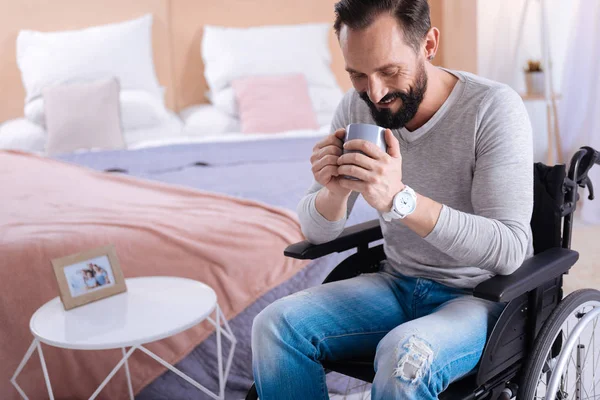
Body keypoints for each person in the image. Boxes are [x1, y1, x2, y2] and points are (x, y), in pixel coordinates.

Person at [251, 0, 534, 399]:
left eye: (389, 71)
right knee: (274, 326)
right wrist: (334, 189)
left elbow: (509, 250)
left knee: (404, 356)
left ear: (429, 44)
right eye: (358, 75)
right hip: (397, 284)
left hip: (478, 298)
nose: (376, 92)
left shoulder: (492, 108)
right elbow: (316, 231)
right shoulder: (357, 107)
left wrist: (401, 199)